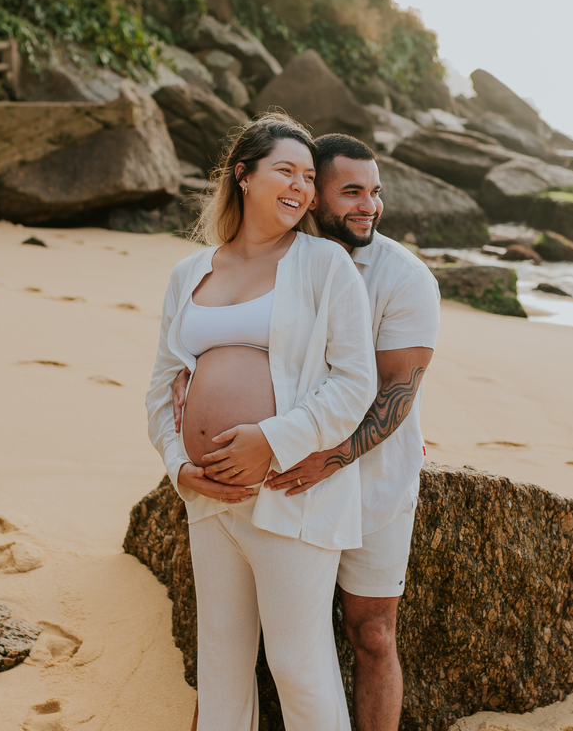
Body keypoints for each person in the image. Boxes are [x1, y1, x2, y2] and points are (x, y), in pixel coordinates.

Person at [175, 134, 441, 731]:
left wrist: (317, 456)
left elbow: (392, 390)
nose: (368, 206)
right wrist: (184, 456)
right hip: (255, 484)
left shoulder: (399, 276)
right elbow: (188, 374)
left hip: (365, 478)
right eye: (350, 192)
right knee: (227, 655)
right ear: (312, 195)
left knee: (367, 633)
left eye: (375, 192)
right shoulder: (264, 261)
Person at [146, 114, 377, 731]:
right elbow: (161, 388)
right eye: (286, 171)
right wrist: (180, 470)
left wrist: (269, 441)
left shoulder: (326, 267)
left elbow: (356, 383)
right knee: (220, 664)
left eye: (309, 176)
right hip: (211, 500)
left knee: (298, 663)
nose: (301, 187)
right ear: (243, 175)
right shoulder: (190, 273)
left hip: (289, 493)